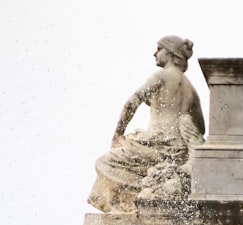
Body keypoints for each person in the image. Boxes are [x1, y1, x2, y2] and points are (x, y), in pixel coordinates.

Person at [88, 35, 205, 213]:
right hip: (178, 151)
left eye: (159, 49)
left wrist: (118, 134)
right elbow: (201, 128)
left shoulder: (162, 75)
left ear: (171, 52)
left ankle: (128, 205)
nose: (155, 53)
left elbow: (132, 103)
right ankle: (140, 198)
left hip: (156, 145)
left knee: (104, 163)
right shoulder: (192, 90)